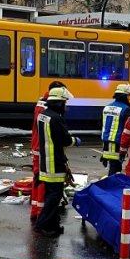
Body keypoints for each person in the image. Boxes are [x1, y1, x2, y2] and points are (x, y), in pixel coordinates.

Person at [34, 86, 81, 237]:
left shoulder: (43, 116)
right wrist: (76, 141)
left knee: (51, 195)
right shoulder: (56, 118)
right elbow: (65, 140)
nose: (66, 106)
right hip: (54, 163)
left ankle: (53, 225)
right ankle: (41, 225)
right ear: (59, 103)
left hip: (45, 163)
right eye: (65, 103)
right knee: (54, 197)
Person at [30, 80, 66, 222]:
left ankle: (36, 210)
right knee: (44, 182)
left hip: (38, 146)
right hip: (43, 149)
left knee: (37, 179)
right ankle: (41, 213)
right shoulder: (48, 108)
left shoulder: (41, 103)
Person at [100, 83, 130, 176]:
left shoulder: (107, 107)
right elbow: (128, 127)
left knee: (113, 167)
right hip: (117, 142)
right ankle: (112, 188)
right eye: (128, 96)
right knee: (116, 168)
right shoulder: (126, 109)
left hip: (106, 142)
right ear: (125, 96)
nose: (129, 98)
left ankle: (111, 186)